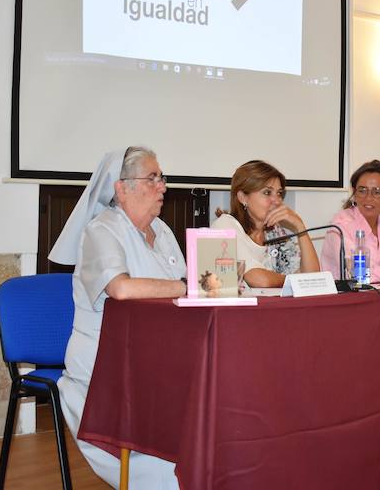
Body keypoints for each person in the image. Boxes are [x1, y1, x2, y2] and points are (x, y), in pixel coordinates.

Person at [50, 147, 187, 489]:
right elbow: (121, 288)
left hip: (158, 360)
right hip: (105, 369)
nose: (163, 186)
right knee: (169, 473)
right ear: (121, 188)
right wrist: (185, 287)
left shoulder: (163, 231)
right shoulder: (102, 230)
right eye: (152, 178)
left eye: (162, 177)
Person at [211, 160, 320, 287]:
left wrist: (300, 227)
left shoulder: (275, 232)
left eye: (279, 193)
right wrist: (295, 281)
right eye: (267, 192)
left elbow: (313, 278)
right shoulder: (224, 226)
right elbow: (258, 279)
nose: (277, 201)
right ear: (242, 197)